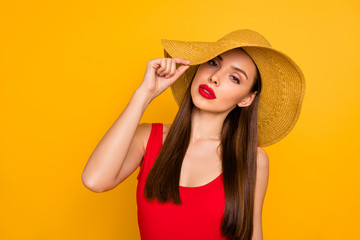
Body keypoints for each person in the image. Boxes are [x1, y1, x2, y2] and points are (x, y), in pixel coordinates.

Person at [81, 29, 306, 240]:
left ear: (247, 99)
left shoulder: (254, 160)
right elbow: (94, 180)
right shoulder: (148, 138)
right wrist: (144, 94)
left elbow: (252, 234)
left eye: (234, 78)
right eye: (213, 63)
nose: (215, 77)